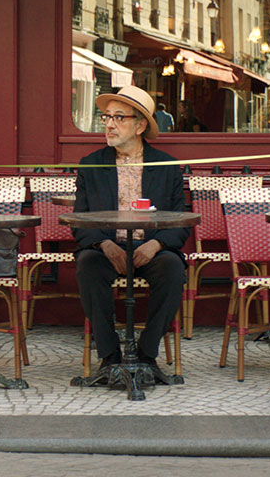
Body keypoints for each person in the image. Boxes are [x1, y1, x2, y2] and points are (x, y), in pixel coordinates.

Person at [72, 85, 188, 375]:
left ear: (140, 125)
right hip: (106, 247)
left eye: (119, 117)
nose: (110, 124)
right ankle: (109, 355)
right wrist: (104, 245)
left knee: (173, 269)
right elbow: (80, 219)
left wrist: (156, 245)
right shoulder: (91, 164)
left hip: (151, 247)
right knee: (87, 266)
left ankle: (147, 353)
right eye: (106, 117)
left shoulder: (166, 166)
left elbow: (181, 219)